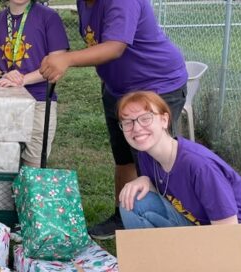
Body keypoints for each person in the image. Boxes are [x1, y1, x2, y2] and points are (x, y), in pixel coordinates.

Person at [39, 0, 189, 239]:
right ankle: (123, 217)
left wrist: (67, 59)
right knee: (124, 157)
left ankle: (168, 230)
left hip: (155, 85)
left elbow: (114, 46)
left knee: (155, 162)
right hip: (118, 89)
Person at [116, 91, 241, 272]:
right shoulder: (146, 155)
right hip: (203, 229)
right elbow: (167, 189)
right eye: (128, 122)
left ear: (164, 120)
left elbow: (227, 237)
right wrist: (145, 180)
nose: (136, 128)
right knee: (133, 200)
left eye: (145, 118)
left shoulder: (199, 166)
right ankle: (155, 263)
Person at [0, 0, 69, 167]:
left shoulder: (49, 17)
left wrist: (21, 81)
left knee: (33, 162)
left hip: (39, 101)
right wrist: (4, 76)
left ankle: (28, 190)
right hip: (4, 101)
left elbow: (58, 61)